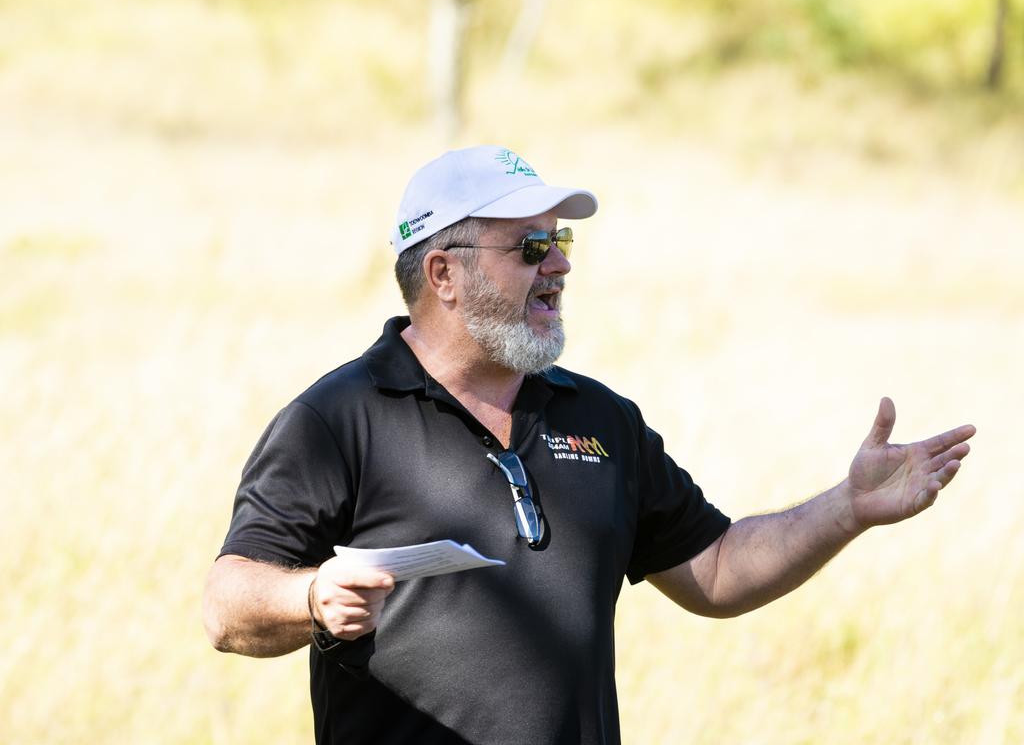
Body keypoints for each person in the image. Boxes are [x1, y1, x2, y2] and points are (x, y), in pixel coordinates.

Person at [202, 145, 975, 745]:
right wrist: (309, 598)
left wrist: (848, 508)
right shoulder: (336, 418)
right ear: (443, 273)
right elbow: (227, 605)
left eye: (561, 241)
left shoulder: (603, 419)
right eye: (531, 248)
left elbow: (716, 569)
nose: (562, 265)